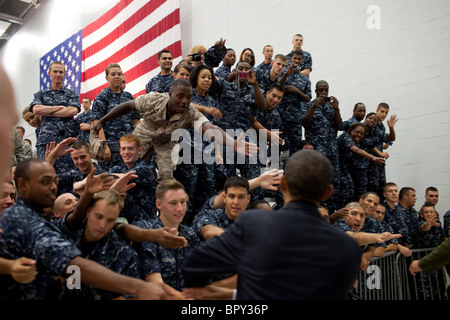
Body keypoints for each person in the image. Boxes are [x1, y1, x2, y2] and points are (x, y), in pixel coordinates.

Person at [182, 149, 362, 300]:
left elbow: (194, 266)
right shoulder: (348, 247)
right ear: (327, 193)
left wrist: (210, 292)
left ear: (282, 184)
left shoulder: (254, 224)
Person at [0, 158, 177, 300]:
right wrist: (139, 287)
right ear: (22, 185)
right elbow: (72, 263)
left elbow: (77, 224)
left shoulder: (119, 248)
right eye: (45, 181)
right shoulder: (21, 218)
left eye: (55, 181)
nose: (54, 187)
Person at [91, 78, 258, 183]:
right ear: (170, 94)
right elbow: (127, 106)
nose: (184, 101)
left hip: (166, 142)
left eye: (189, 98)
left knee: (166, 177)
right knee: (129, 169)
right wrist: (102, 121)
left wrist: (233, 143)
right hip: (144, 134)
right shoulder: (154, 99)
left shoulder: (191, 113)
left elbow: (210, 128)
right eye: (180, 96)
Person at [173, 64, 222, 225]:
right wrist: (206, 109)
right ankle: (185, 228)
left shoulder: (212, 101)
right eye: (203, 77)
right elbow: (187, 105)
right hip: (188, 153)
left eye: (209, 77)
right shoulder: (189, 96)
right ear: (196, 79)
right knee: (189, 193)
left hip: (207, 153)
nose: (207, 80)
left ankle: (205, 225)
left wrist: (219, 153)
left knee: (208, 192)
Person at [133, 180, 199, 293]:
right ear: (158, 204)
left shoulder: (191, 235)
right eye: (173, 203)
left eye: (183, 202)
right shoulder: (147, 232)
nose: (180, 209)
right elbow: (155, 282)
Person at [29, 61, 80, 173]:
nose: (58, 74)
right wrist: (61, 108)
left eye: (61, 72)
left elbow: (73, 111)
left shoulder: (71, 94)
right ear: (49, 73)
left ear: (65, 74)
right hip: (46, 143)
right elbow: (36, 109)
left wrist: (47, 110)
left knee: (68, 174)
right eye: (55, 71)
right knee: (44, 173)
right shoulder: (41, 94)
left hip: (66, 141)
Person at [301, 80, 342, 212]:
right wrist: (314, 106)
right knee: (317, 180)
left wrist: (336, 109)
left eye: (326, 90)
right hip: (316, 150)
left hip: (331, 150)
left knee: (334, 181)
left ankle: (331, 212)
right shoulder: (308, 105)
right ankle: (316, 210)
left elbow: (339, 125)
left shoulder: (331, 106)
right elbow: (305, 123)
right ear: (316, 91)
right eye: (321, 90)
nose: (324, 92)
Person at [91, 63, 141, 170]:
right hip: (111, 147)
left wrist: (139, 141)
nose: (117, 76)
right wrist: (104, 147)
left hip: (129, 147)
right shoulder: (102, 97)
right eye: (113, 74)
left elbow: (136, 121)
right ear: (107, 78)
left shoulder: (128, 97)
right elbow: (97, 123)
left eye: (119, 74)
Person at [109, 134, 157, 221]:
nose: (126, 152)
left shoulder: (144, 169)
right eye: (123, 149)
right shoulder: (119, 169)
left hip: (143, 220)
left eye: (130, 148)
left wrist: (113, 177)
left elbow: (123, 179)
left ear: (139, 151)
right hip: (124, 217)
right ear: (120, 151)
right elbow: (100, 178)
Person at [337, 122, 385, 208]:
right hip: (336, 167)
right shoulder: (346, 137)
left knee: (351, 189)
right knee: (345, 188)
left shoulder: (357, 142)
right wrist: (372, 157)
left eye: (362, 133)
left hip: (345, 168)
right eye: (356, 132)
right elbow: (356, 150)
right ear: (350, 131)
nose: (359, 135)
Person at [367, 102, 398, 197]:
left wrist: (387, 144)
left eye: (386, 112)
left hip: (379, 161)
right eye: (382, 111)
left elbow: (390, 139)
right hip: (372, 161)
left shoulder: (382, 126)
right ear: (377, 111)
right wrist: (381, 154)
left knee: (382, 187)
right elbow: (369, 144)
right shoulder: (372, 123)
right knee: (373, 188)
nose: (384, 114)